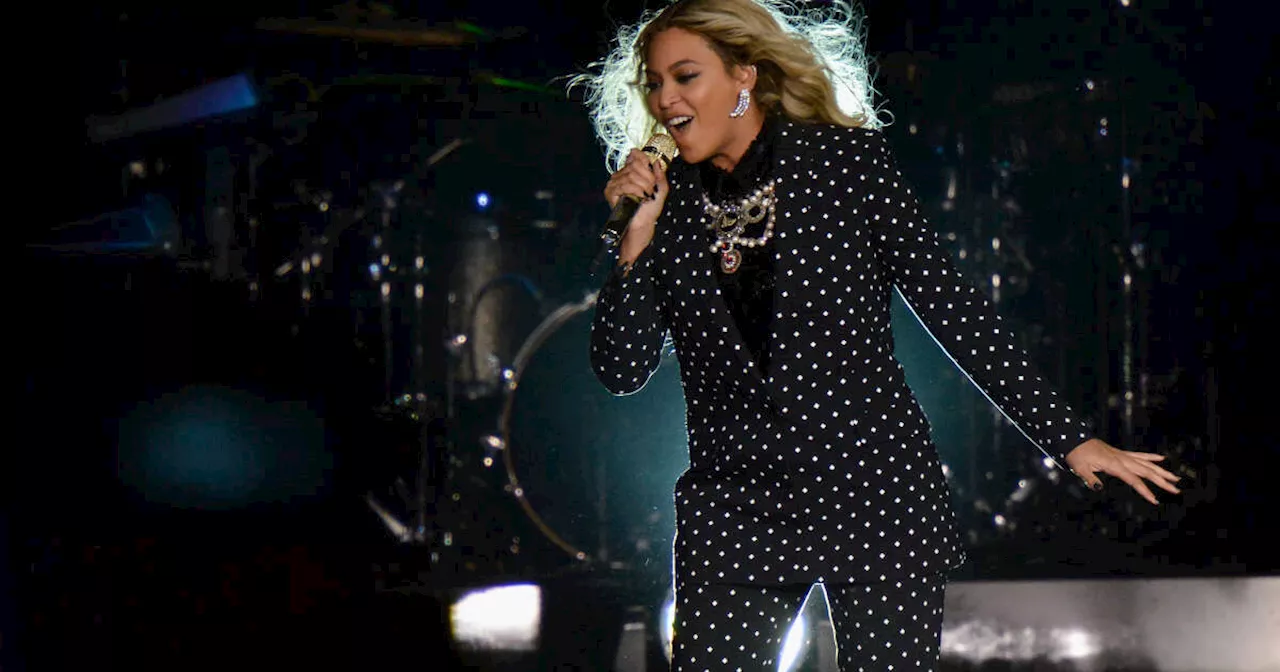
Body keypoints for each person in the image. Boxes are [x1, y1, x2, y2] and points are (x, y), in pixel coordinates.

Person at [575, 1, 1182, 669]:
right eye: (653, 83)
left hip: (873, 490)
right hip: (735, 508)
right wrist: (636, 236)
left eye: (685, 76)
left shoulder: (843, 164)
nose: (665, 99)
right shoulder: (670, 208)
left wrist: (1068, 438)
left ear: (743, 77)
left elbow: (952, 307)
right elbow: (621, 367)